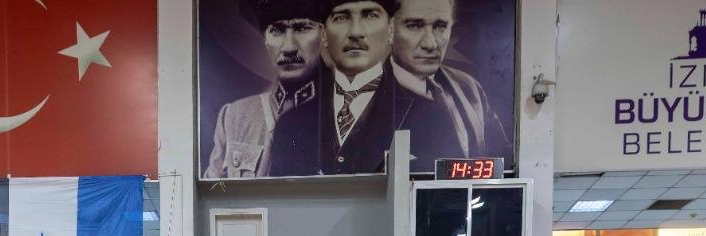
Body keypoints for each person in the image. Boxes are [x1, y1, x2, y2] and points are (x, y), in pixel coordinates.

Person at [269, 0, 403, 175]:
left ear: (391, 30)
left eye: (370, 15)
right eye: (341, 18)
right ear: (323, 34)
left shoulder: (425, 115)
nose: (355, 32)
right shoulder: (290, 124)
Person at [204, 1, 324, 179]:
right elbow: (214, 187)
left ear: (323, 36)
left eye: (302, 28)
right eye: (277, 30)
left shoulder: (339, 116)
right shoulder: (234, 116)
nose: (289, 48)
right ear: (266, 41)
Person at [388, 0, 511, 159]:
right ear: (390, 30)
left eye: (440, 27)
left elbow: (501, 156)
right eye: (414, 26)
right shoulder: (369, 97)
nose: (430, 44)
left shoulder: (470, 87)